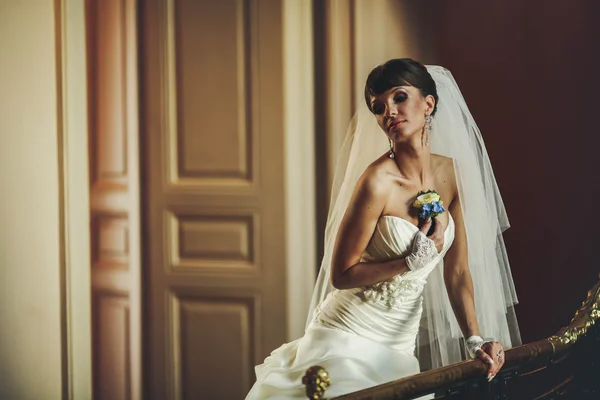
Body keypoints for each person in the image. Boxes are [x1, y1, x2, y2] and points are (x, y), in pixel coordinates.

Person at [245, 59, 521, 399]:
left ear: (429, 103)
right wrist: (408, 262)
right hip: (348, 336)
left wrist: (474, 338)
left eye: (399, 97)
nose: (389, 111)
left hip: (399, 349)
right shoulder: (377, 181)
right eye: (378, 107)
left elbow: (459, 270)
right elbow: (342, 274)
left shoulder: (454, 175)